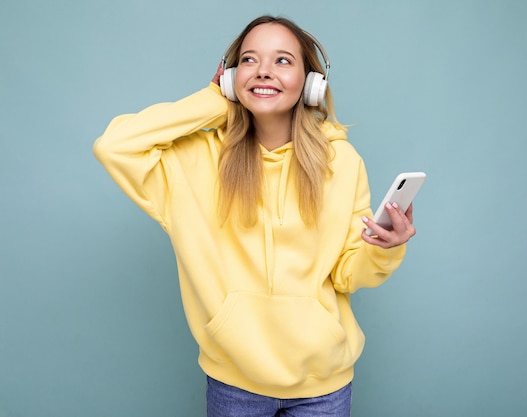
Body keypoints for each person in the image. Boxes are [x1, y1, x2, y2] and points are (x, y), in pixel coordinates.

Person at [93, 15, 415, 417]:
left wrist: (384, 248)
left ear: (311, 82)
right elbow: (114, 146)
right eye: (249, 60)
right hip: (235, 384)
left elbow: (350, 273)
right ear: (230, 77)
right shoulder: (194, 163)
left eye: (282, 61)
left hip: (324, 387)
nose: (264, 70)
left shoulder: (342, 162)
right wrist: (212, 100)